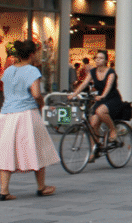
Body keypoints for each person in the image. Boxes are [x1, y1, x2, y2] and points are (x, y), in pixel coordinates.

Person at [0, 40, 59, 200]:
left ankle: (4, 190)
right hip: (26, 114)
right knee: (38, 147)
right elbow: (36, 94)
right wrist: (42, 105)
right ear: (32, 54)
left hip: (6, 114)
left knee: (6, 152)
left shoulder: (8, 71)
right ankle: (41, 187)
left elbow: (6, 92)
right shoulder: (32, 71)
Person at [68, 49, 120, 143]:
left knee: (100, 111)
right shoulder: (93, 72)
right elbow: (84, 84)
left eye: (101, 58)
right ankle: (94, 148)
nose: (98, 60)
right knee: (93, 124)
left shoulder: (111, 72)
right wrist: (74, 94)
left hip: (112, 98)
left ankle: (113, 130)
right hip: (100, 98)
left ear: (106, 61)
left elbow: (108, 86)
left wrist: (102, 96)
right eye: (96, 58)